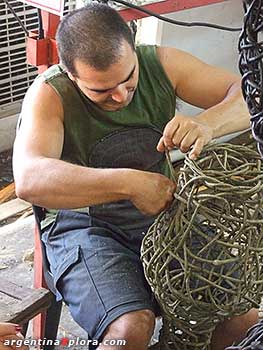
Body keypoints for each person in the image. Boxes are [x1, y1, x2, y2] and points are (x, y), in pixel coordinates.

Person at [13, 4, 257, 350]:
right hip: (83, 227)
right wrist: (128, 183)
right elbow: (29, 179)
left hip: (164, 216)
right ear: (71, 74)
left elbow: (251, 96)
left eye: (128, 80)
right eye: (101, 91)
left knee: (240, 317)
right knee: (130, 328)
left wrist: (208, 122)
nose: (120, 96)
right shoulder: (50, 93)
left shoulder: (162, 63)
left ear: (133, 48)